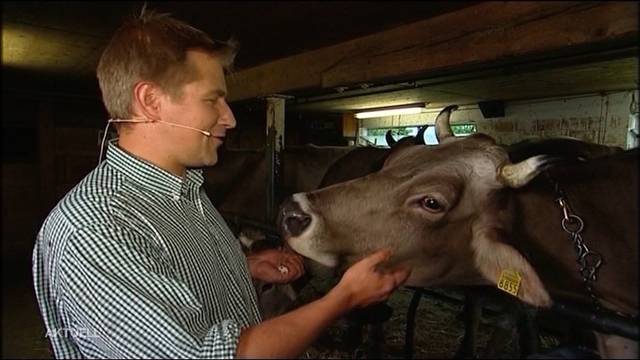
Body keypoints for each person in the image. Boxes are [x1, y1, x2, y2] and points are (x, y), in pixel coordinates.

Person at [32, 7, 411, 359]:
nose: (229, 118)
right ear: (150, 101)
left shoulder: (184, 191)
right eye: (213, 99)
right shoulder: (95, 226)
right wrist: (343, 297)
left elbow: (163, 276)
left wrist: (242, 267)